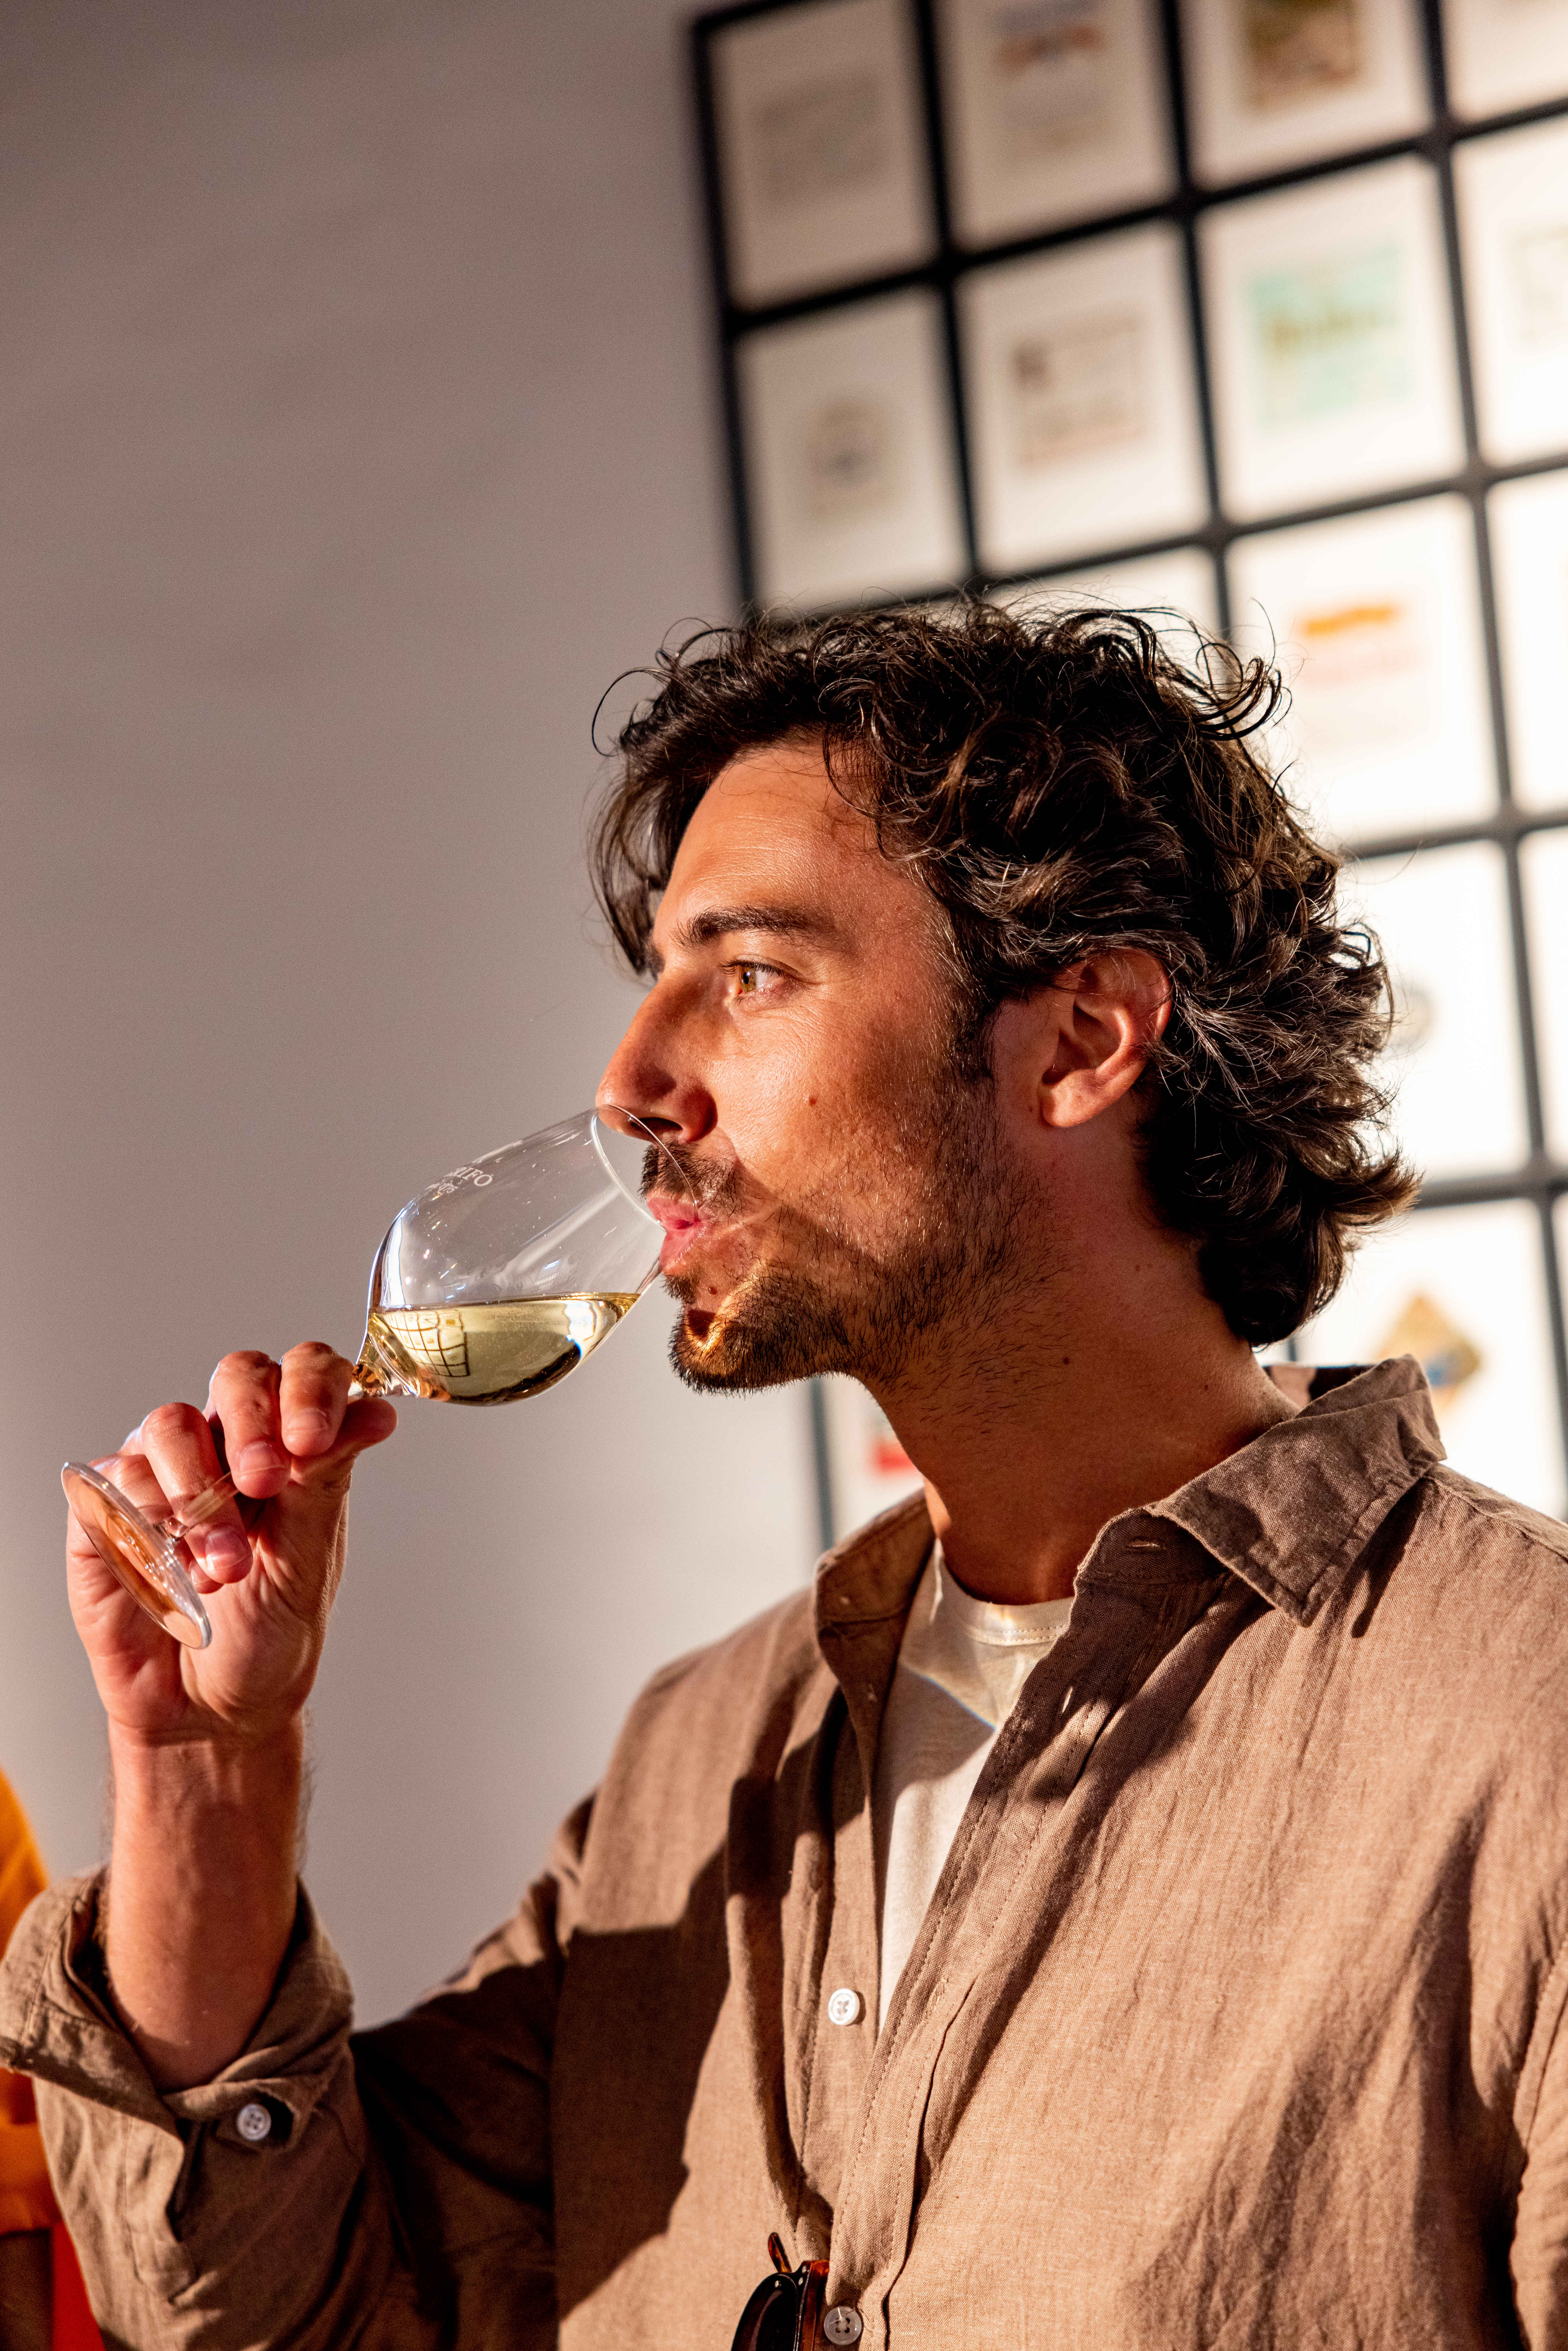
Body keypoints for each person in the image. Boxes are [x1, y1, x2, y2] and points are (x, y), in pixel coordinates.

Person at [3, 602, 1567, 2351]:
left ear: (1079, 1039)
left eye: (748, 974)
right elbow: (265, 2315)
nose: (632, 1083)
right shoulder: (701, 1756)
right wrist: (206, 1774)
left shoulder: (1524, 1725)